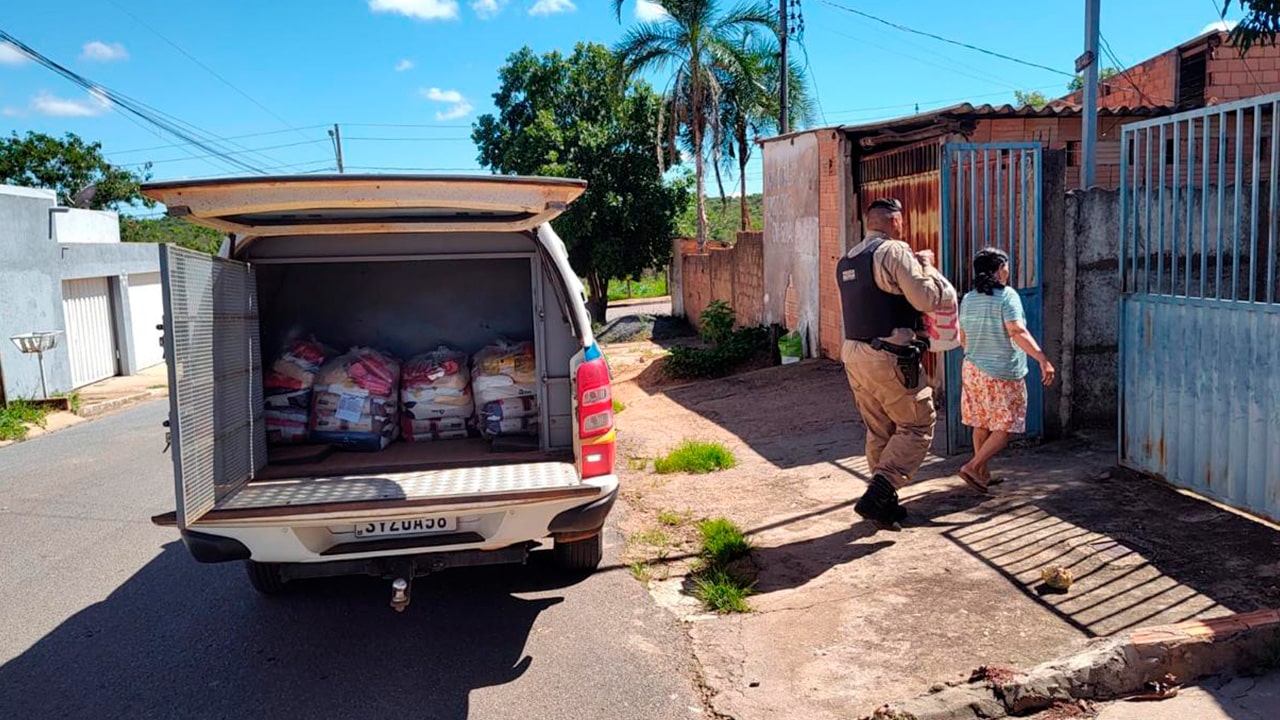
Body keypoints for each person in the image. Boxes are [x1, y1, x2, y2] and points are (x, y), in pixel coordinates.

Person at [839, 198, 954, 531]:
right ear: (894, 222)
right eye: (902, 221)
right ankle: (881, 491)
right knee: (918, 424)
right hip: (889, 356)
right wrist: (927, 267)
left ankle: (884, 505)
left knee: (880, 429)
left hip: (854, 353)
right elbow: (926, 299)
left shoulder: (848, 259)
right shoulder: (894, 251)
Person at [956, 247, 1056, 494]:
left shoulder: (968, 299)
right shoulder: (1006, 296)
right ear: (999, 269)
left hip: (973, 369)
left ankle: (982, 474)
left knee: (981, 423)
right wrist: (1042, 358)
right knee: (1004, 427)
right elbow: (1016, 331)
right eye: (1006, 266)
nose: (1008, 270)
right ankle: (972, 466)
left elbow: (963, 337)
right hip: (1001, 372)